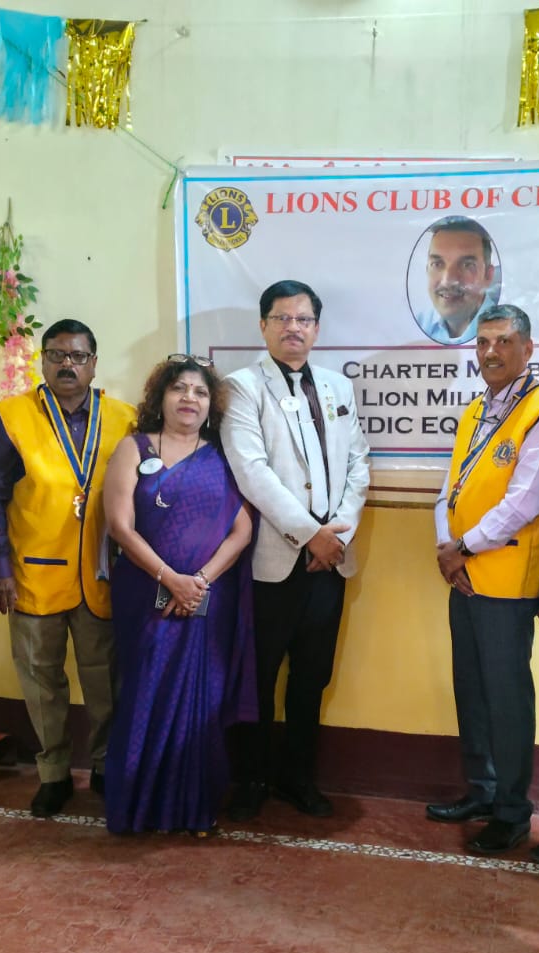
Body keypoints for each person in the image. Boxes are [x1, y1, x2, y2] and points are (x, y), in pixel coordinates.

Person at [222, 281, 370, 821]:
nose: (293, 328)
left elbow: (358, 463)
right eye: (282, 318)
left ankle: (298, 776)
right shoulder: (241, 387)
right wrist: (311, 535)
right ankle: (253, 777)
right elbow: (251, 471)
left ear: (316, 328)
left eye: (303, 319)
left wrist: (338, 536)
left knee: (312, 677)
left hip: (329, 562)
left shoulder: (337, 387)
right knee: (259, 676)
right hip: (273, 561)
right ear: (263, 326)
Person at [0, 319, 136, 818]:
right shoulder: (11, 416)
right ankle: (53, 774)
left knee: (104, 680)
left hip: (101, 574)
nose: (67, 364)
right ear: (42, 361)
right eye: (57, 355)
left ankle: (108, 767)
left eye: (78, 356)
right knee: (41, 681)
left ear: (94, 363)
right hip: (31, 574)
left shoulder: (124, 418)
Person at [426, 306, 539, 854]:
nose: (490, 352)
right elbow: (449, 488)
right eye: (482, 342)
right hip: (463, 575)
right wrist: (447, 547)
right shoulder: (476, 409)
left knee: (506, 698)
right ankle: (481, 790)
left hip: (506, 578)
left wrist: (462, 547)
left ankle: (511, 810)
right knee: (473, 689)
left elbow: (526, 501)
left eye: (504, 341)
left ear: (528, 348)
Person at [101, 356, 256, 834]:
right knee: (145, 691)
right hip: (143, 594)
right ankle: (137, 808)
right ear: (160, 398)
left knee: (200, 702)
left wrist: (199, 582)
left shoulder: (222, 456)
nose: (189, 398)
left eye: (200, 392)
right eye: (179, 389)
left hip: (209, 602)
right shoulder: (134, 448)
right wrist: (171, 578)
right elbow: (120, 527)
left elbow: (241, 530)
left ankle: (193, 808)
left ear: (211, 406)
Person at [413, 216, 499, 345]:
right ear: (427, 270)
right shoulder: (418, 324)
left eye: (467, 265)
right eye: (437, 264)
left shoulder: (506, 330)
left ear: (488, 275)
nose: (448, 281)